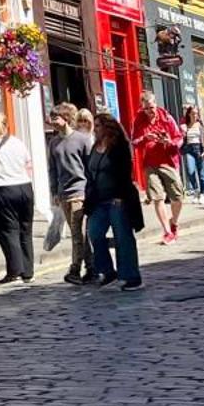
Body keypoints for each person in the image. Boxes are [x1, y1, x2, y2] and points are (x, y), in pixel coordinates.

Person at [83, 112, 144, 291]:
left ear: (108, 127)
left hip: (118, 199)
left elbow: (125, 171)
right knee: (94, 233)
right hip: (98, 200)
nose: (96, 129)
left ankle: (131, 276)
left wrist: (119, 196)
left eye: (99, 125)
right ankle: (107, 272)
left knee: (123, 237)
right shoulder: (95, 146)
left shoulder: (119, 146)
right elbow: (90, 172)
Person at [0, 118, 36, 283]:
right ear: (7, 126)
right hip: (24, 187)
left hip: (1, 189)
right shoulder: (18, 143)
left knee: (7, 231)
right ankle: (28, 272)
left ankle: (14, 270)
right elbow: (28, 165)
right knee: (25, 230)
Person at [132, 91, 185, 242]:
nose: (150, 111)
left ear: (156, 104)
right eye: (147, 108)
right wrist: (144, 138)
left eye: (152, 107)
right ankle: (167, 231)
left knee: (178, 198)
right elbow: (134, 141)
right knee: (157, 197)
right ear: (142, 108)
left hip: (168, 161)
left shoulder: (166, 118)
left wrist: (169, 142)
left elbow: (179, 138)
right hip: (150, 164)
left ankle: (173, 222)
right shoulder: (138, 120)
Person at [48, 107, 93, 283]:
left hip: (79, 190)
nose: (53, 122)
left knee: (76, 233)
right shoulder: (53, 143)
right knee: (80, 234)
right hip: (63, 192)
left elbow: (90, 166)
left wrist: (91, 190)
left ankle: (74, 270)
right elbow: (52, 168)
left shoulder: (82, 140)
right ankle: (92, 267)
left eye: (56, 118)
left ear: (66, 118)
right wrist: (54, 191)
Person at [178, 106, 204, 204]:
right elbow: (181, 137)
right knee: (190, 171)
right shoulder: (185, 125)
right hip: (189, 149)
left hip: (199, 148)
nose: (195, 115)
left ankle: (203, 194)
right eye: (193, 113)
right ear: (189, 114)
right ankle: (196, 191)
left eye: (196, 113)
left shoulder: (201, 125)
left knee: (201, 173)